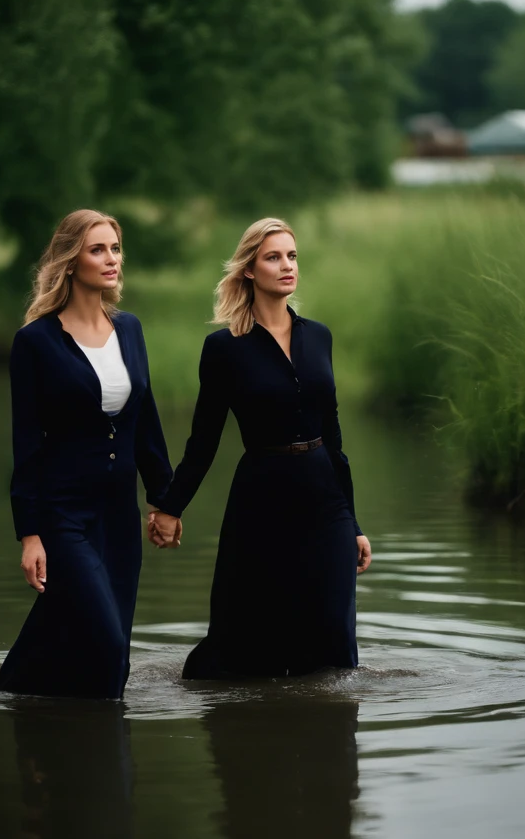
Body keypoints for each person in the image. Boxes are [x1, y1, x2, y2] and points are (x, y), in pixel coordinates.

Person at [148, 217, 371, 679]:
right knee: (244, 629)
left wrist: (354, 523)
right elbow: (204, 440)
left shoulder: (319, 337)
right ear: (249, 270)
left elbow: (334, 438)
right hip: (262, 498)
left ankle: (327, 739)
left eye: (292, 256)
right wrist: (170, 506)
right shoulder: (225, 348)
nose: (287, 266)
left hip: (324, 499)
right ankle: (247, 733)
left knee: (333, 630)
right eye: (274, 257)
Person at [0, 209, 180, 700]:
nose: (112, 259)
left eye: (115, 248)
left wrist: (164, 499)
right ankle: (29, 705)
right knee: (106, 637)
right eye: (98, 249)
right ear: (70, 261)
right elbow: (27, 443)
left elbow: (146, 420)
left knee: (112, 651)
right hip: (64, 515)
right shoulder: (35, 342)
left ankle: (26, 701)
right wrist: (30, 533)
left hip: (118, 515)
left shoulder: (131, 329)